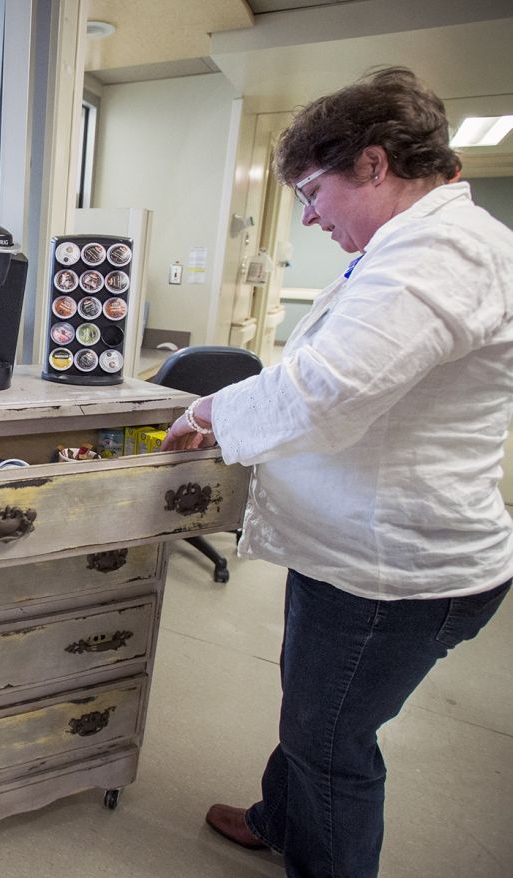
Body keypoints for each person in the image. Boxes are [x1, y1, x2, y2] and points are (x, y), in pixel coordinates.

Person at [161, 67, 513, 877]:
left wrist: (209, 409)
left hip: (391, 574)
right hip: (355, 555)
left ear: (375, 164)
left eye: (314, 192)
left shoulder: (444, 252)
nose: (310, 216)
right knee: (312, 714)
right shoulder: (410, 247)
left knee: (330, 744)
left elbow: (324, 392)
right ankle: (279, 820)